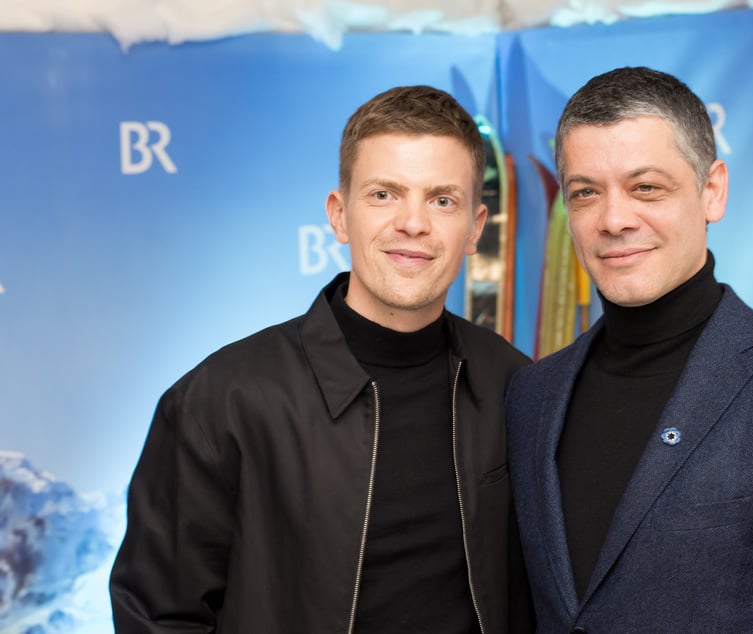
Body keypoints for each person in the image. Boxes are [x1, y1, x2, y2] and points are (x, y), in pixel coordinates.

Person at [110, 85, 533, 633]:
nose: (413, 223)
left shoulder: (514, 384)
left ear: (475, 228)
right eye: (384, 194)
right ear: (339, 215)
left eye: (442, 199)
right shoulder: (221, 401)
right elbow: (158, 616)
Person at [505, 66, 753, 632]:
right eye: (586, 193)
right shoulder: (532, 395)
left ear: (712, 191)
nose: (614, 219)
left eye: (646, 188)